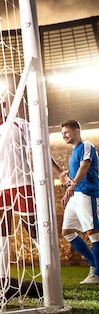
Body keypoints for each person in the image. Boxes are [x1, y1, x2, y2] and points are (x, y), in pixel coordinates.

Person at [0, 92, 62, 285]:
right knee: (2, 232)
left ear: (4, 104)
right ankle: (3, 277)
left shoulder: (20, 124)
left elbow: (40, 150)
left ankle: (49, 275)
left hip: (22, 184)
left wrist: (60, 173)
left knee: (33, 228)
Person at [57, 119, 99, 284]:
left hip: (87, 193)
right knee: (67, 232)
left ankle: (97, 273)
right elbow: (76, 173)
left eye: (66, 132)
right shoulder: (74, 152)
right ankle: (93, 264)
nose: (64, 136)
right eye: (62, 133)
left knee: (93, 232)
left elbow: (85, 166)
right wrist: (68, 184)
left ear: (77, 131)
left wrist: (73, 184)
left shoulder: (86, 145)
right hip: (75, 196)